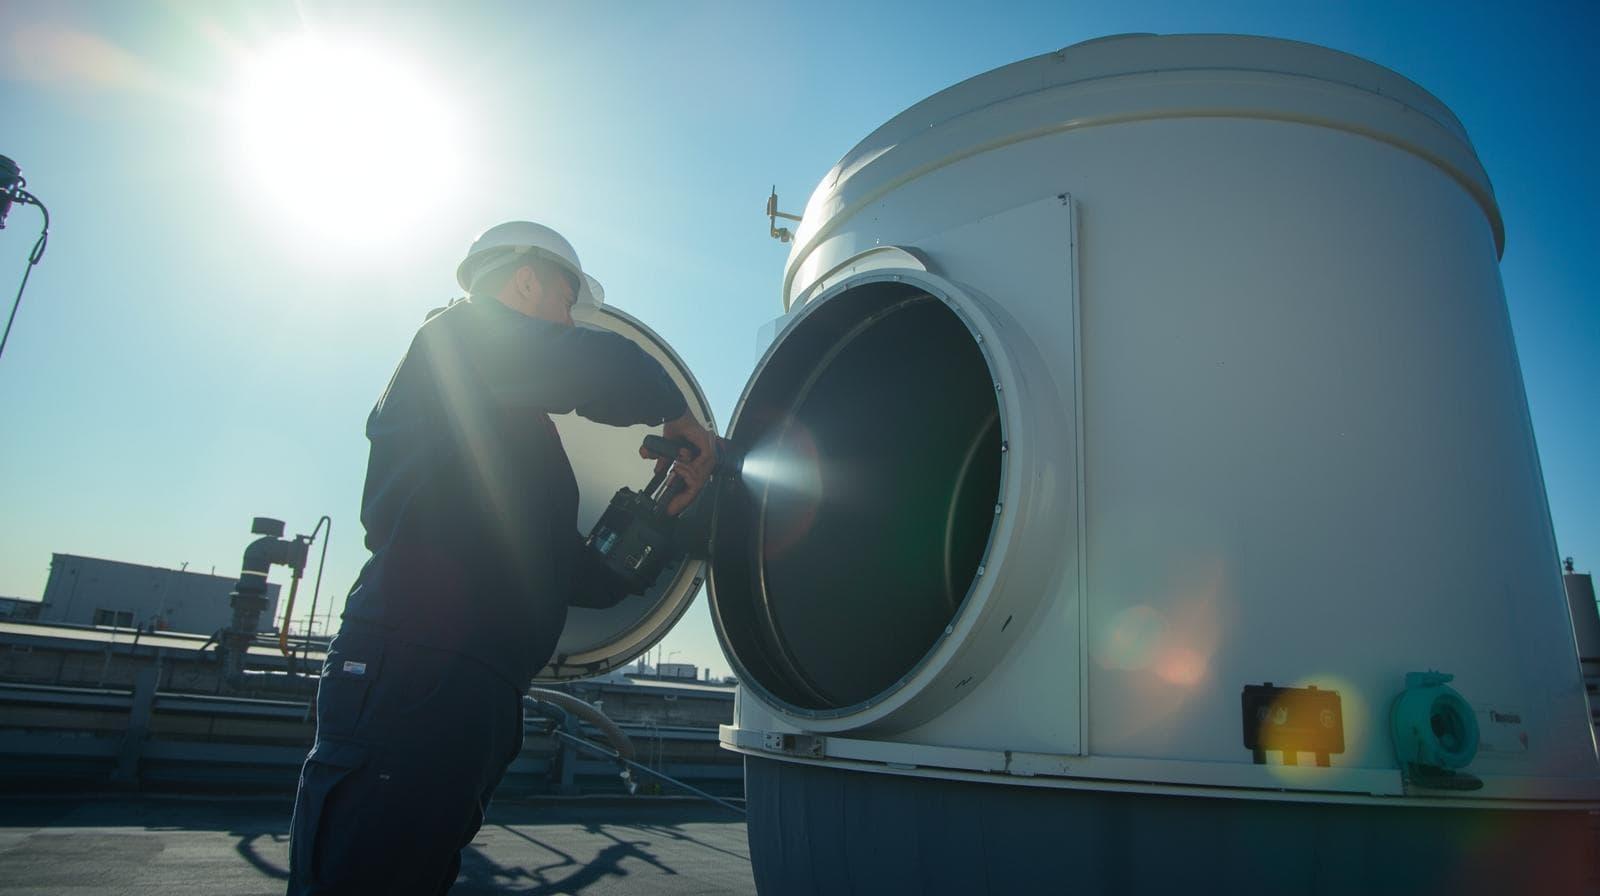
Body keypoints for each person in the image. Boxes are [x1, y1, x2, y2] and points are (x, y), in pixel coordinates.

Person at [287, 221, 715, 895]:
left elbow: (577, 577)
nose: (568, 322)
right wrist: (673, 410)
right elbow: (594, 364)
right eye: (565, 304)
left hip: (469, 682)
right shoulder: (453, 341)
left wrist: (661, 512)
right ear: (525, 280)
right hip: (414, 664)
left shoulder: (505, 426)